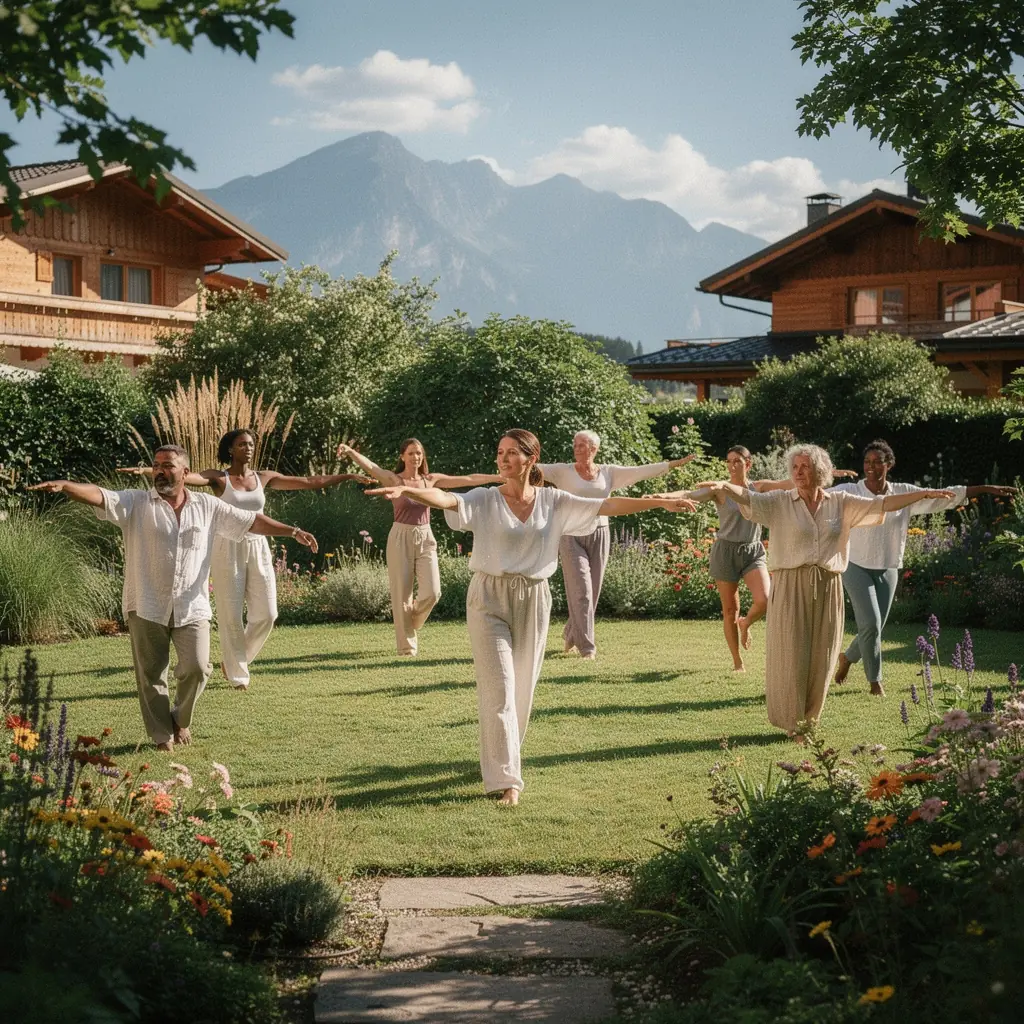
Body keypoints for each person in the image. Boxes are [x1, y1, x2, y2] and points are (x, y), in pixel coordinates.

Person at [366, 429, 698, 805]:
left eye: (511, 453)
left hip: (534, 599)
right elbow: (445, 498)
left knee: (522, 690)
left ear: (531, 458)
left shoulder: (553, 501)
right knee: (501, 689)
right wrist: (408, 490)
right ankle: (508, 780)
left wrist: (656, 504)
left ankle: (504, 757)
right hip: (488, 598)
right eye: (500, 452)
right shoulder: (486, 499)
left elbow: (605, 506)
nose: (503, 459)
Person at [30, 445, 318, 750]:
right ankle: (161, 735)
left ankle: (180, 718)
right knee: (151, 674)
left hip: (192, 605)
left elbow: (250, 521)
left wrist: (293, 530)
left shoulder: (207, 506)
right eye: (155, 465)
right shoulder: (137, 502)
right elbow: (101, 495)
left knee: (198, 668)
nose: (159, 471)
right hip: (146, 603)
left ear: (184, 472)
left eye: (167, 465)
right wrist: (66, 487)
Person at [705, 444, 954, 739]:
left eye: (805, 467)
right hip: (790, 584)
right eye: (795, 467)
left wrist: (923, 494)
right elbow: (748, 497)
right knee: (792, 653)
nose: (798, 472)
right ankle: (792, 721)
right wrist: (724, 486)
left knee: (822, 656)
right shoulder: (780, 501)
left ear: (819, 471)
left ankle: (810, 720)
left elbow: (883, 505)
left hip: (828, 585)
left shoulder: (841, 502)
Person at [121, 429, 372, 690]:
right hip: (227, 547)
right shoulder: (219, 478)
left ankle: (235, 662)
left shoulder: (263, 477)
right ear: (231, 449)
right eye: (242, 444)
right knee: (231, 615)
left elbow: (310, 481)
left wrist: (347, 476)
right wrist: (146, 472)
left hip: (258, 546)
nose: (249, 448)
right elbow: (186, 476)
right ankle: (239, 675)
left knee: (268, 613)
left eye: (251, 444)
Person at [830, 439, 1016, 695]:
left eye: (877, 462)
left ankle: (847, 658)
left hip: (888, 567)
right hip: (855, 565)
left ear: (889, 464)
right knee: (871, 624)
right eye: (867, 462)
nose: (871, 467)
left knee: (873, 627)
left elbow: (943, 497)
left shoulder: (903, 492)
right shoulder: (851, 490)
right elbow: (821, 496)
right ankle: (875, 682)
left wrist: (985, 489)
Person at [538, 430, 694, 660]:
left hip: (600, 533)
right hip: (570, 535)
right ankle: (587, 648)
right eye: (575, 445)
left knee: (593, 591)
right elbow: (534, 468)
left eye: (582, 445)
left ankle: (572, 632)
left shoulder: (608, 473)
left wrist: (671, 465)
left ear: (594, 449)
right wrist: (511, 459)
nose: (577, 449)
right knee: (581, 591)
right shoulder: (562, 471)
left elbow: (640, 472)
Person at [336, 439, 501, 656]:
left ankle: (411, 620)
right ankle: (407, 648)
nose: (416, 457)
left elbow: (468, 479)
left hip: (425, 536)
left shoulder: (429, 480)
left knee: (433, 592)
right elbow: (371, 467)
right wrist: (349, 451)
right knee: (401, 594)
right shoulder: (394, 479)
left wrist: (499, 478)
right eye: (412, 453)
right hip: (400, 536)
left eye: (419, 453)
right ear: (402, 456)